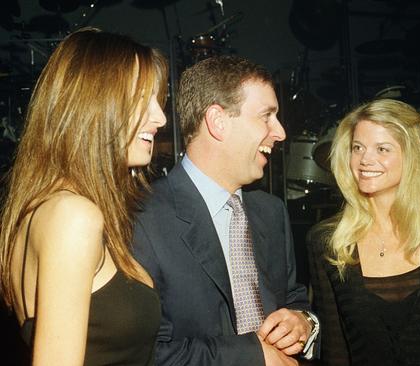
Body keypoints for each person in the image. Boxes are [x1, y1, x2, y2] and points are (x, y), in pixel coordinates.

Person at [132, 55, 319, 366]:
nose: (281, 132)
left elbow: (295, 300)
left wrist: (304, 324)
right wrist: (255, 356)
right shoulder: (141, 217)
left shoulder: (272, 213)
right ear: (218, 122)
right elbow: (144, 354)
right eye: (266, 116)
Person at [0, 27, 168, 365]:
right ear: (94, 104)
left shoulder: (49, 207)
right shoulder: (72, 216)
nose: (160, 118)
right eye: (142, 99)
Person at [306, 98, 420, 365]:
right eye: (358, 147)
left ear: (412, 157)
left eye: (382, 149)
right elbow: (335, 350)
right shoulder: (330, 244)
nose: (365, 159)